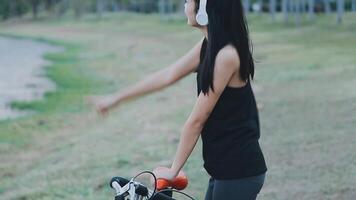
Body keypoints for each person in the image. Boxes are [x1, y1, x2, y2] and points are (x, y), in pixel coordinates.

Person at [87, 0, 267, 199]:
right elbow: (168, 75)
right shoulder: (209, 45)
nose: (185, 4)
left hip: (238, 170)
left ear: (205, 9)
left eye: (189, 0)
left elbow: (197, 120)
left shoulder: (226, 56)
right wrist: (116, 98)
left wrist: (173, 170)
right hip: (224, 169)